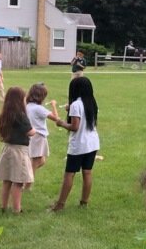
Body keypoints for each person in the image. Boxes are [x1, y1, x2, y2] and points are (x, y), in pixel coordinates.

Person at [52, 75, 100, 211]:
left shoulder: (75, 105)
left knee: (69, 174)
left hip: (79, 145)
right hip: (92, 143)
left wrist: (61, 123)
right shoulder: (92, 103)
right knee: (87, 172)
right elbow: (84, 115)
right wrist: (70, 109)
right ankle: (84, 202)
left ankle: (60, 205)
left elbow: (74, 127)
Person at [0, 86, 35, 214]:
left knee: (6, 180)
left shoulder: (5, 114)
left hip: (7, 149)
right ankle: (17, 209)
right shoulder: (21, 116)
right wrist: (35, 130)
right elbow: (30, 132)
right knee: (18, 182)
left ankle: (3, 206)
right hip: (19, 151)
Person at [26, 83, 59, 179]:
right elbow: (56, 118)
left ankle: (26, 175)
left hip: (33, 136)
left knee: (41, 161)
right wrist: (53, 105)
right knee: (35, 163)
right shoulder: (39, 108)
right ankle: (25, 183)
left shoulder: (28, 106)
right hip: (38, 137)